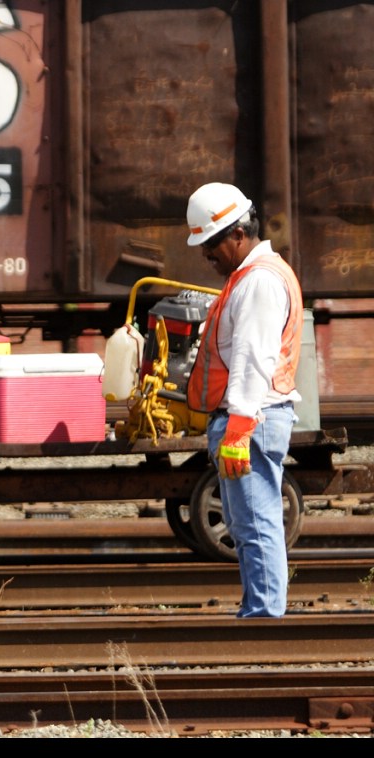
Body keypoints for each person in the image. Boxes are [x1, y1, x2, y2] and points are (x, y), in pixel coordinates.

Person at [185, 182, 304, 618]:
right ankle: (261, 609)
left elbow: (254, 358)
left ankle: (265, 618)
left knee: (255, 525)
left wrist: (238, 426)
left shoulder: (257, 283)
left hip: (252, 420)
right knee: (246, 523)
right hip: (253, 417)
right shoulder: (253, 277)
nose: (206, 254)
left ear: (238, 234)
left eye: (211, 244)